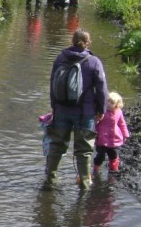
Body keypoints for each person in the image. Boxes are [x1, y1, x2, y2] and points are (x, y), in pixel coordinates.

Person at [45, 30, 109, 190]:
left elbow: (52, 84)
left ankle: (50, 180)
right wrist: (101, 109)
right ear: (88, 42)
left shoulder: (60, 58)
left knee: (57, 146)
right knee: (84, 150)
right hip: (84, 112)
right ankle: (85, 184)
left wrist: (54, 107)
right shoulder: (94, 61)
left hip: (61, 109)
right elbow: (102, 89)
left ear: (72, 41)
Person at [93, 92, 130, 174]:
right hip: (102, 137)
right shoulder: (103, 111)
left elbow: (122, 123)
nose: (109, 104)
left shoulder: (118, 112)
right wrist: (93, 131)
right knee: (100, 155)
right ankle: (96, 169)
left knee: (113, 154)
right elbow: (95, 122)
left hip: (113, 137)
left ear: (117, 104)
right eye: (108, 101)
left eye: (112, 103)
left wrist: (125, 134)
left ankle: (114, 168)